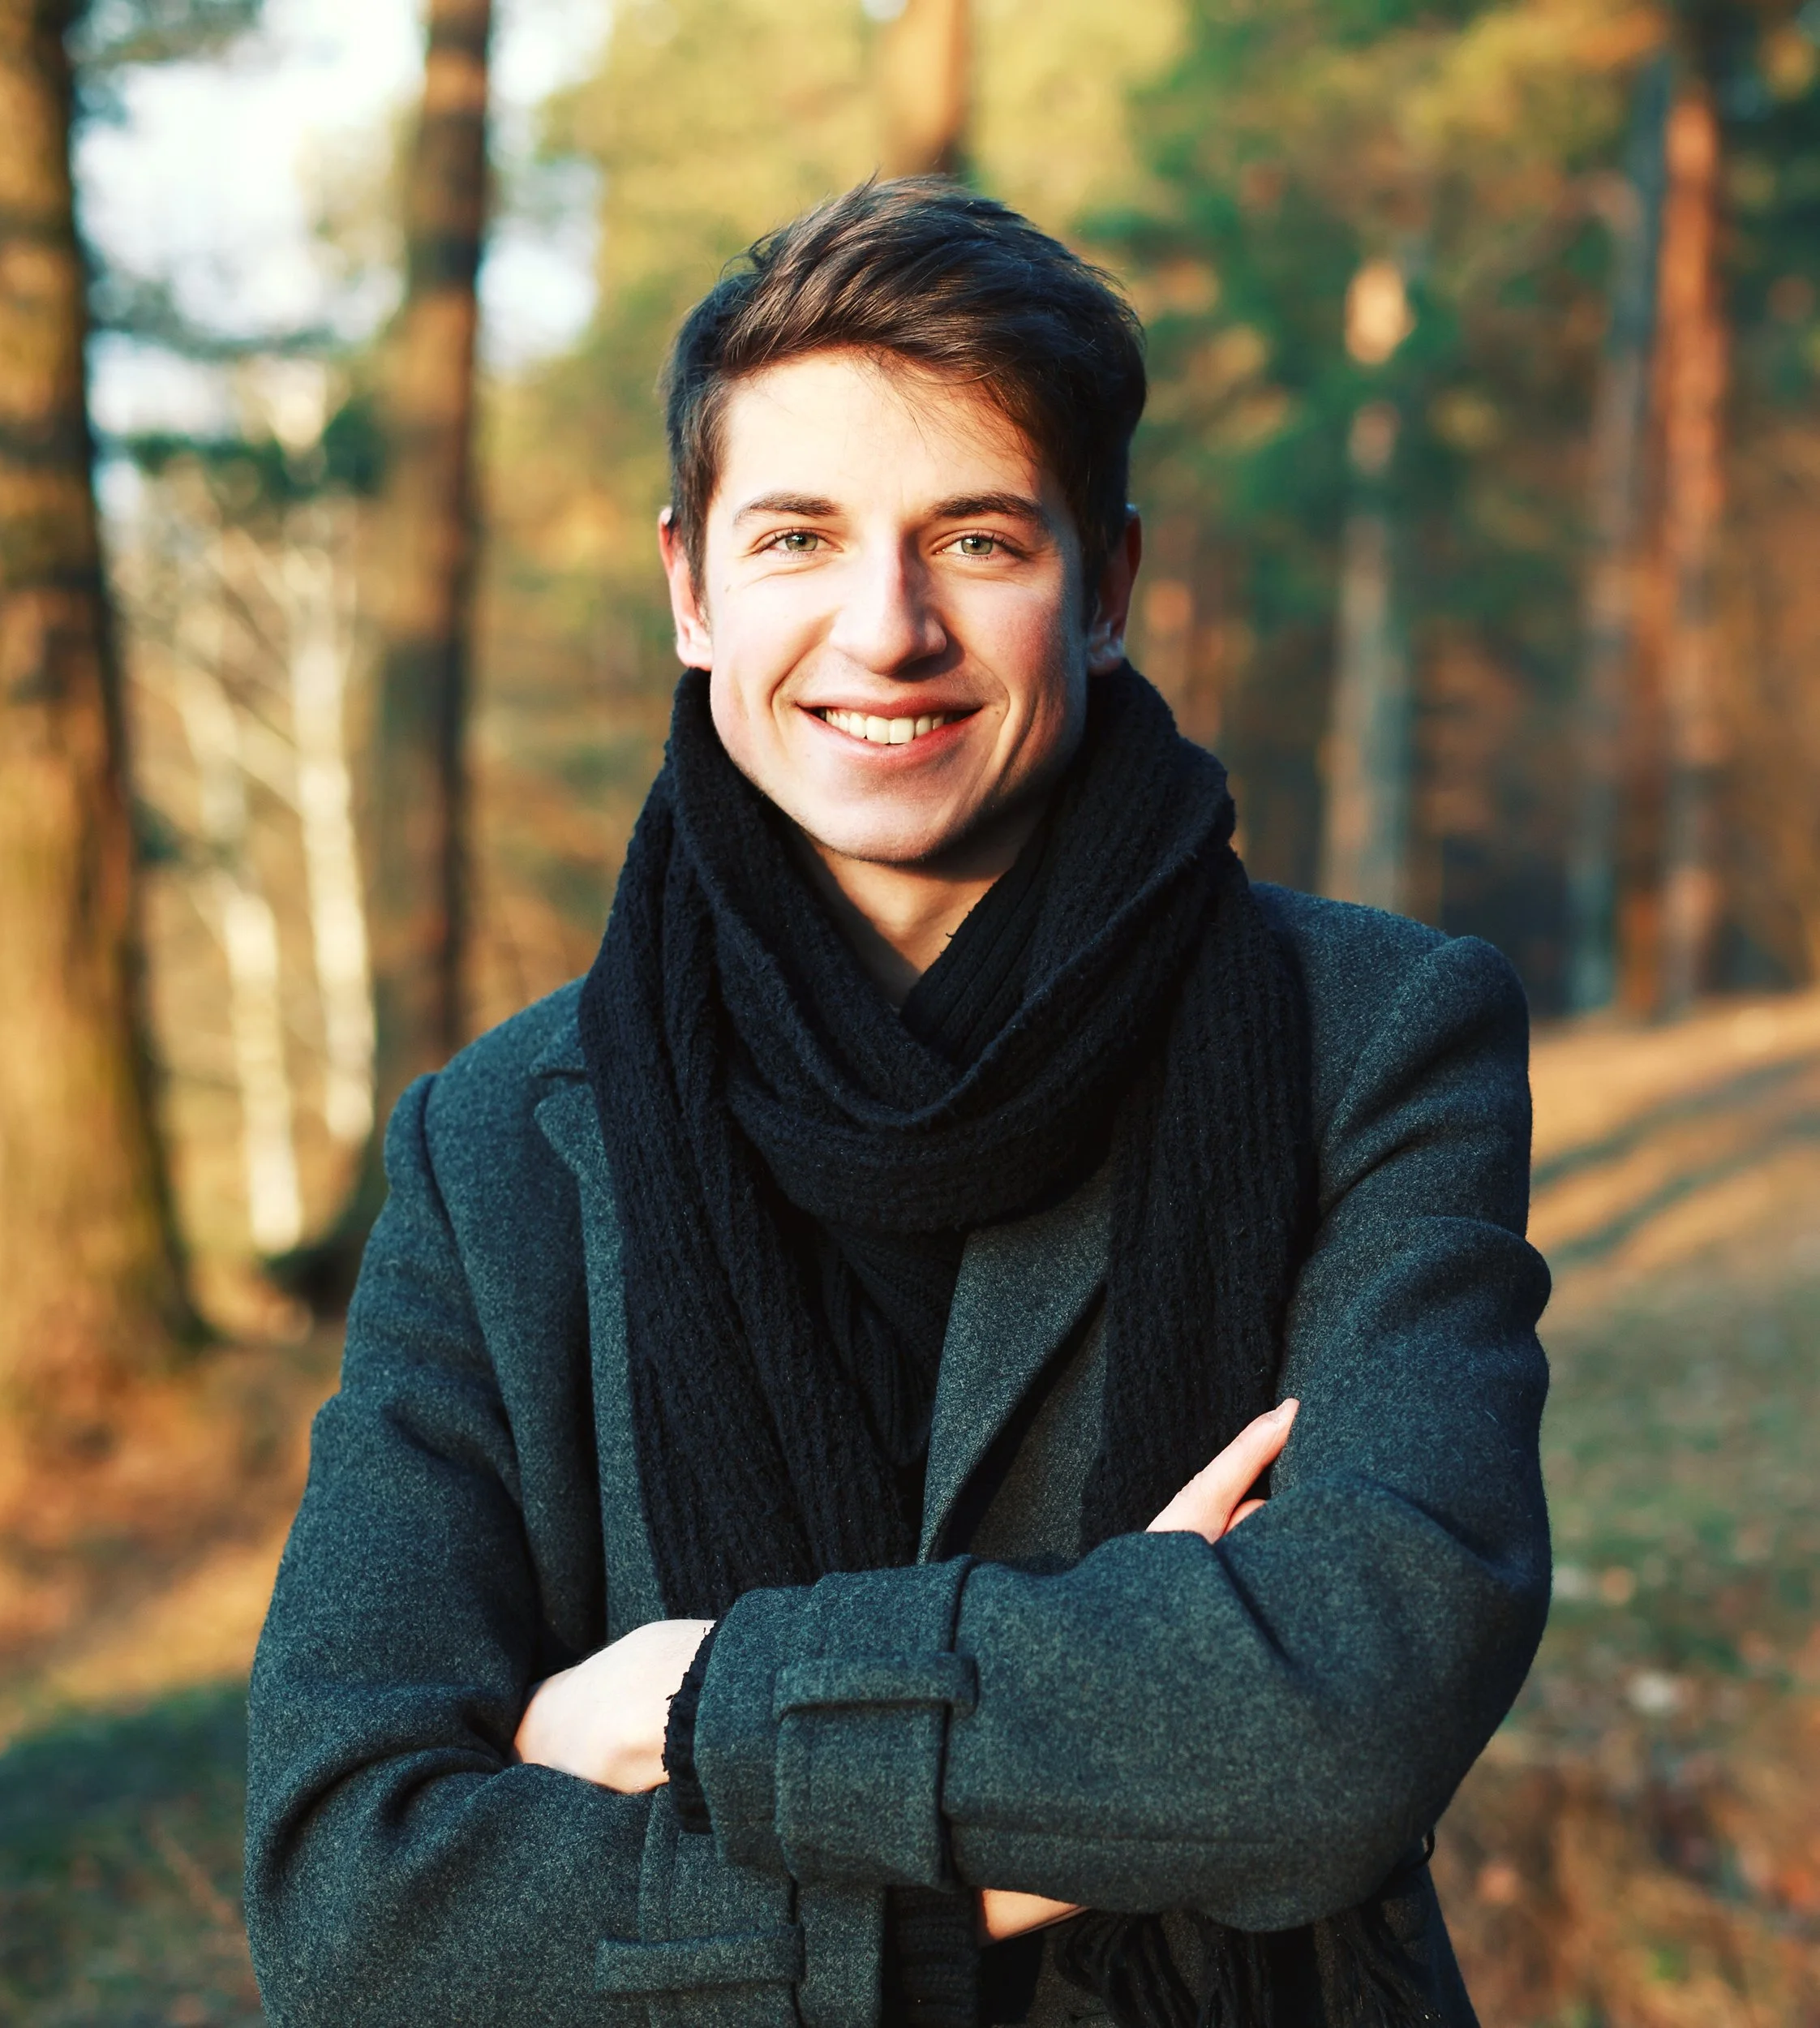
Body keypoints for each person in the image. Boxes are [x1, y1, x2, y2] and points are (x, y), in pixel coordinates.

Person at [244, 179, 1551, 2028]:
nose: (886, 629)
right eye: (797, 537)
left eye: (976, 540)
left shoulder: (1374, 1035)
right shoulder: (496, 1144)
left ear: (1106, 585)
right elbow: (350, 1905)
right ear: (691, 590)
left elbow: (1349, 1714)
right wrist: (1009, 1841)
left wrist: (691, 1697)